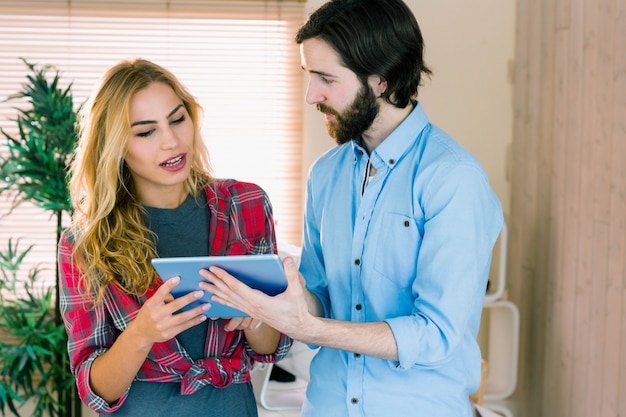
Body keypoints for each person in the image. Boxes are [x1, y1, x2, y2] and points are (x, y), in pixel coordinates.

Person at [200, 0, 504, 416]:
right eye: (309, 77)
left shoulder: (453, 178)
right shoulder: (325, 174)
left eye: (326, 78)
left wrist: (311, 328)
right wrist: (273, 301)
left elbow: (435, 335)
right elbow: (320, 296)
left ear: (380, 80)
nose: (311, 96)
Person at [57, 58, 292, 417]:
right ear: (117, 145)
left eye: (177, 119)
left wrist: (257, 316)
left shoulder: (246, 204)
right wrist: (142, 333)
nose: (170, 141)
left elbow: (270, 347)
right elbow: (95, 390)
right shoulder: (84, 243)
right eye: (145, 132)